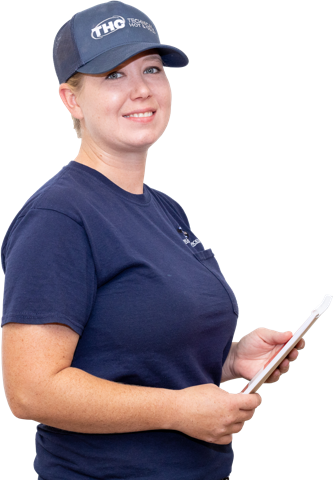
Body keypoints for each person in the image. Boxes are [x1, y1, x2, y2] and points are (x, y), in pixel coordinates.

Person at [0, 1, 305, 479]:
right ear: (71, 100)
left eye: (153, 69)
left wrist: (228, 358)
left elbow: (132, 348)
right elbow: (31, 391)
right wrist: (177, 411)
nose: (141, 89)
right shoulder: (59, 217)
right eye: (113, 76)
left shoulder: (164, 209)